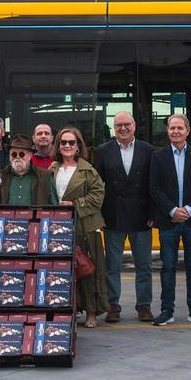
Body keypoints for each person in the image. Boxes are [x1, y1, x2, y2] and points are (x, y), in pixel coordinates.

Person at [148, 114, 191, 326]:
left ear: (188, 130)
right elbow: (154, 188)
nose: (175, 131)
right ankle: (167, 311)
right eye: (172, 128)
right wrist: (173, 210)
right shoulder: (158, 157)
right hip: (168, 221)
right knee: (167, 268)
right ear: (167, 131)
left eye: (179, 128)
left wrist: (190, 209)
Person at [93, 111, 155, 323]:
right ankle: (113, 306)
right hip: (113, 216)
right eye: (118, 125)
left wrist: (153, 212)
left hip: (142, 216)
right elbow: (97, 185)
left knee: (144, 265)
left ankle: (144, 306)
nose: (123, 128)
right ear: (113, 128)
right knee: (112, 266)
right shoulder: (103, 151)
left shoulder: (148, 150)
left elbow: (153, 185)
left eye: (126, 124)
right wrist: (99, 215)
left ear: (134, 126)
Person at [49, 127, 107, 328]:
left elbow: (97, 196)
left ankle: (91, 312)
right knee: (64, 272)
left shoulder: (87, 170)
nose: (67, 146)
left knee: (87, 269)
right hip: (59, 227)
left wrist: (75, 205)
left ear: (78, 146)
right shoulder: (52, 169)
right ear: (58, 145)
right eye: (63, 142)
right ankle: (70, 311)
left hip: (85, 227)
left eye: (71, 142)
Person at [0, 134, 53, 206]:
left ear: (30, 156)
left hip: (36, 217)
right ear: (9, 156)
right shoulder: (0, 177)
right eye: (14, 154)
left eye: (21, 154)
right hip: (7, 217)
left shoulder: (46, 176)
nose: (17, 157)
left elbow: (53, 206)